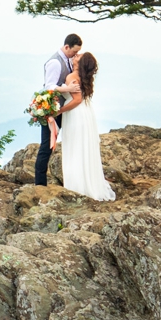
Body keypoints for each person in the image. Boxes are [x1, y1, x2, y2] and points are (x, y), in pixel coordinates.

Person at [56, 51, 116, 201]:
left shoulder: (72, 77)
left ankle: (76, 185)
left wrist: (59, 111)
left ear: (80, 63)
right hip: (86, 113)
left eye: (78, 57)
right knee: (83, 148)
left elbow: (76, 100)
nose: (75, 56)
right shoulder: (83, 78)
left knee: (75, 148)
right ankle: (86, 181)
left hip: (76, 115)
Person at [35, 33, 83, 187]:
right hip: (52, 109)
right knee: (47, 146)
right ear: (66, 46)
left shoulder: (68, 60)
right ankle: (40, 183)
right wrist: (67, 88)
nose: (75, 55)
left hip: (62, 109)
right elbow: (49, 86)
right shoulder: (55, 62)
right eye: (74, 52)